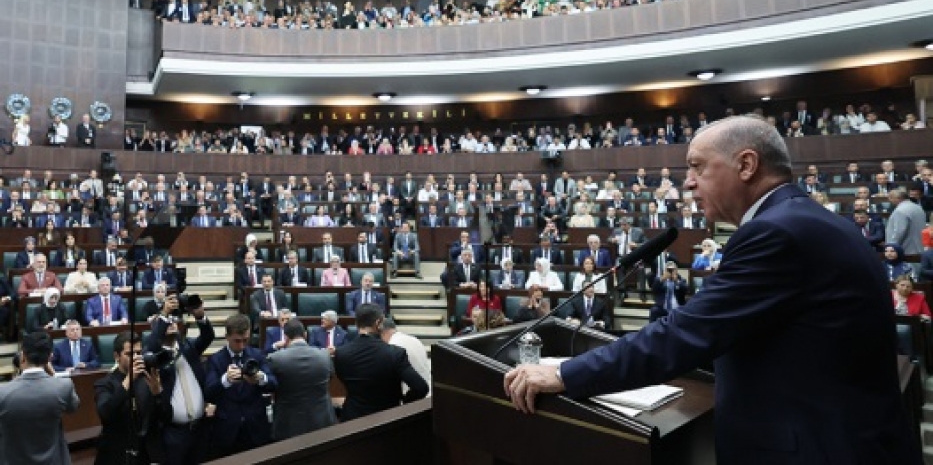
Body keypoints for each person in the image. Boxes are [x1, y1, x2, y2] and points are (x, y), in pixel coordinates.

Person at [504, 116, 922, 464]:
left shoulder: (777, 233)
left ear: (746, 164)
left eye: (697, 167)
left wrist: (565, 372)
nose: (687, 183)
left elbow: (687, 333)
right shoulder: (808, 221)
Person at [146, 292, 214, 465]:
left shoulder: (189, 347)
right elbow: (152, 345)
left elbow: (207, 337)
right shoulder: (154, 357)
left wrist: (199, 315)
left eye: (173, 320)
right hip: (174, 433)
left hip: (200, 429)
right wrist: (164, 314)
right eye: (167, 322)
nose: (171, 323)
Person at [333, 304, 429, 421]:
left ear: (356, 324)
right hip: (386, 421)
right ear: (379, 323)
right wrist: (405, 401)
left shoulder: (341, 353)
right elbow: (421, 387)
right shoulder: (395, 353)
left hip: (352, 420)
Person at [0, 332, 79, 464]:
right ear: (50, 358)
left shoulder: (3, 392)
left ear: (23, 357)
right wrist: (53, 374)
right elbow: (74, 407)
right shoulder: (64, 386)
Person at [205, 314, 277, 458]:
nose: (241, 346)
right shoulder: (215, 360)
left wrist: (260, 378)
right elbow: (208, 392)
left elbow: (274, 384)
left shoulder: (257, 355)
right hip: (227, 431)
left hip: (256, 428)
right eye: (237, 341)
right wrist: (226, 380)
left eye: (245, 340)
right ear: (227, 336)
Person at [93, 331, 164, 465]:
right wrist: (128, 381)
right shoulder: (104, 384)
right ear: (116, 356)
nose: (136, 358)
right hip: (118, 455)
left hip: (146, 454)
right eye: (130, 354)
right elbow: (106, 414)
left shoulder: (148, 380)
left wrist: (157, 393)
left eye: (139, 353)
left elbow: (165, 416)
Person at [268, 318, 336, 440]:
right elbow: (330, 378)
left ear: (286, 337)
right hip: (321, 422)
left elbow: (270, 386)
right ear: (305, 335)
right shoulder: (324, 355)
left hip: (289, 424)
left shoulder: (275, 359)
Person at [381, 317, 432, 396]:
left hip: (408, 397)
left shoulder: (393, 346)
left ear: (382, 333)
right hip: (426, 394)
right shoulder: (414, 339)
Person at [886, 188, 927, 255]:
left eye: (890, 198)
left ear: (897, 198)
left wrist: (891, 248)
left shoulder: (900, 211)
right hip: (920, 248)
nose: (889, 200)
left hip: (906, 250)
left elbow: (899, 231)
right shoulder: (918, 207)